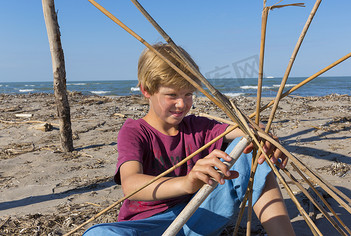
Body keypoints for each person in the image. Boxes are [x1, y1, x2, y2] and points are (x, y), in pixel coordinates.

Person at [84, 43, 295, 236]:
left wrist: (263, 138)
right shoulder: (135, 131)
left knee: (251, 153)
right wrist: (187, 183)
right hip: (148, 226)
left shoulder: (196, 126)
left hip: (198, 214)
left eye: (188, 94)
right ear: (146, 90)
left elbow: (241, 131)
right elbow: (131, 184)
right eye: (172, 95)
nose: (182, 104)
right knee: (98, 234)